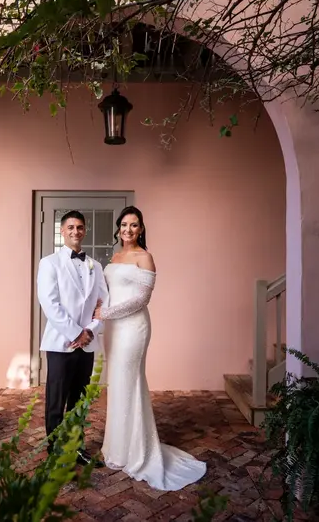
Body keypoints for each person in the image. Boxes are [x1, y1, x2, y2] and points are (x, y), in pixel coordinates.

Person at [93, 206, 206, 491]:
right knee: (116, 383)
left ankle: (137, 451)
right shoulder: (116, 256)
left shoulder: (145, 257)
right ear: (118, 228)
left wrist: (105, 313)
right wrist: (98, 310)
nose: (128, 230)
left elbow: (141, 300)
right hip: (114, 330)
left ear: (141, 229)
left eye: (134, 225)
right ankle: (117, 448)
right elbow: (107, 291)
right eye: (124, 225)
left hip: (133, 328)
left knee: (130, 382)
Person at [37, 210, 108, 467]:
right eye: (70, 227)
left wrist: (90, 330)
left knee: (79, 399)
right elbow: (49, 302)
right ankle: (55, 450)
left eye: (79, 227)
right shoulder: (49, 263)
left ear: (84, 231)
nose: (75, 231)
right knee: (56, 398)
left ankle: (77, 447)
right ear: (62, 230)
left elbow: (104, 302)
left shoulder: (95, 266)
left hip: (87, 343)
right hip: (60, 342)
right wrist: (75, 332)